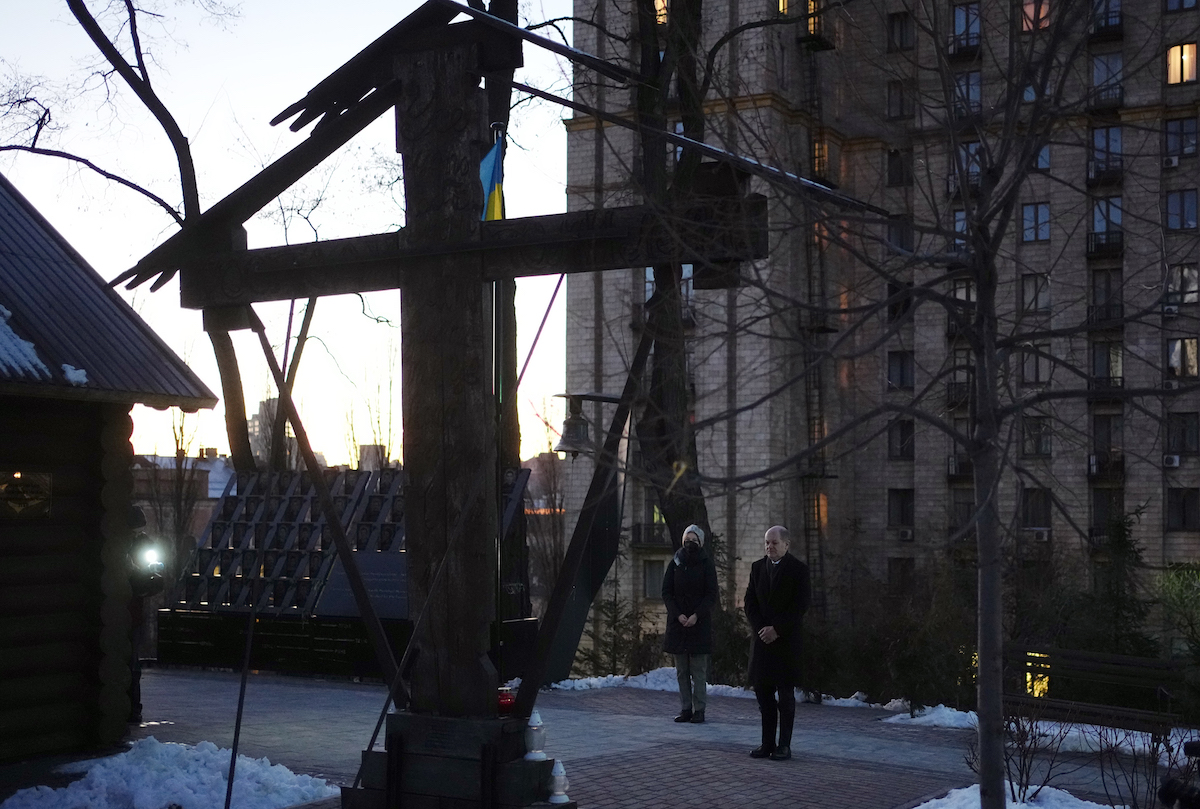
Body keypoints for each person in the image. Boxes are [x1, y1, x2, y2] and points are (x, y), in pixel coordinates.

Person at [744, 525, 810, 761]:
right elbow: (749, 602)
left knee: (785, 697)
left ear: (786, 544)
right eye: (767, 543)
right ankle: (767, 743)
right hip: (762, 641)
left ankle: (784, 745)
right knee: (763, 693)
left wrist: (777, 629)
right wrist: (762, 628)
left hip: (786, 642)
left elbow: (800, 606)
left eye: (774, 542)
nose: (769, 547)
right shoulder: (757, 568)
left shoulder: (798, 570)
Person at [662, 523, 719, 724]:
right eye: (687, 539)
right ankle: (686, 708)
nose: (690, 543)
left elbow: (711, 595)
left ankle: (700, 709)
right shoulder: (675, 562)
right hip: (678, 624)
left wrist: (696, 615)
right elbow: (667, 592)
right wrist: (678, 615)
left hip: (699, 624)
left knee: (698, 670)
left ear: (700, 542)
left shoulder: (707, 564)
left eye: (694, 540)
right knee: (682, 671)